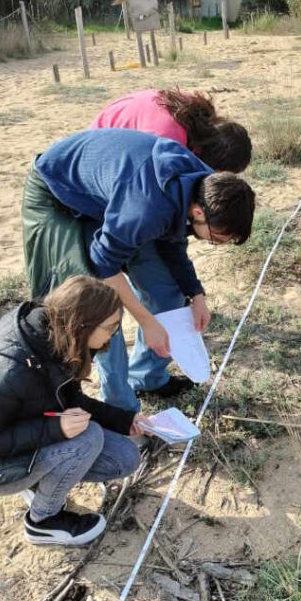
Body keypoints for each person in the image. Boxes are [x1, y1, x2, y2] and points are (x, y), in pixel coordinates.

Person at [21, 128, 255, 411]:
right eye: (217, 238)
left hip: (115, 202)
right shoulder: (147, 209)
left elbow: (173, 242)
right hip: (57, 190)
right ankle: (121, 409)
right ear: (198, 213)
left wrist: (196, 295)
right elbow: (103, 262)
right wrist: (146, 321)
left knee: (167, 292)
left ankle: (146, 378)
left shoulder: (204, 185)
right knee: (103, 312)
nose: (215, 243)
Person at [0, 277, 145, 548]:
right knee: (88, 438)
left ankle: (38, 481)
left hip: (22, 435)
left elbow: (72, 400)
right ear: (83, 325)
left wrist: (124, 420)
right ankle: (43, 521)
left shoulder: (58, 336)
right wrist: (56, 430)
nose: (113, 334)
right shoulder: (9, 370)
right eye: (110, 327)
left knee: (124, 458)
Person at [90, 88, 252, 172]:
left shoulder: (197, 117)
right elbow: (147, 189)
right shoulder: (167, 139)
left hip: (110, 133)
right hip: (94, 156)